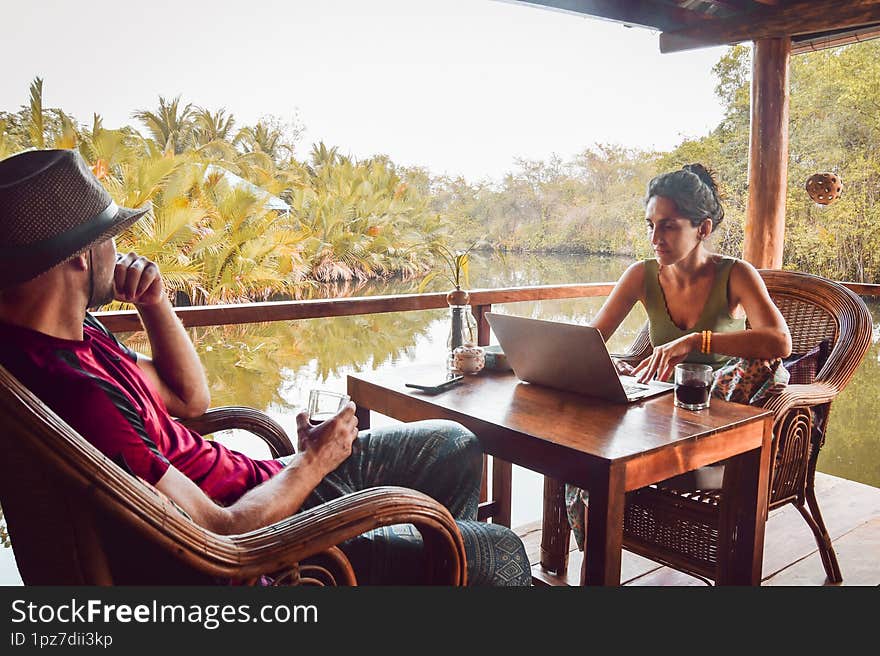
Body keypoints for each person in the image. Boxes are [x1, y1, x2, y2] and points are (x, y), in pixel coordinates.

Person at [0, 148, 531, 586]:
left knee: (451, 443)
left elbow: (190, 402)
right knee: (498, 551)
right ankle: (432, 564)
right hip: (262, 550)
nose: (118, 251)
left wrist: (155, 302)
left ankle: (428, 573)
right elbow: (219, 531)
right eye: (108, 237)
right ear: (77, 257)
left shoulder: (76, 336)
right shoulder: (77, 394)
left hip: (265, 487)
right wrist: (313, 464)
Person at [565, 163, 793, 550]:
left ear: (702, 229)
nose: (656, 237)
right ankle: (597, 555)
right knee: (581, 443)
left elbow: (779, 342)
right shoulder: (641, 275)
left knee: (765, 362)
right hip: (658, 411)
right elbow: (590, 339)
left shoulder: (736, 274)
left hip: (718, 418)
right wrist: (609, 365)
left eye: (668, 225)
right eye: (650, 224)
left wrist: (695, 341)